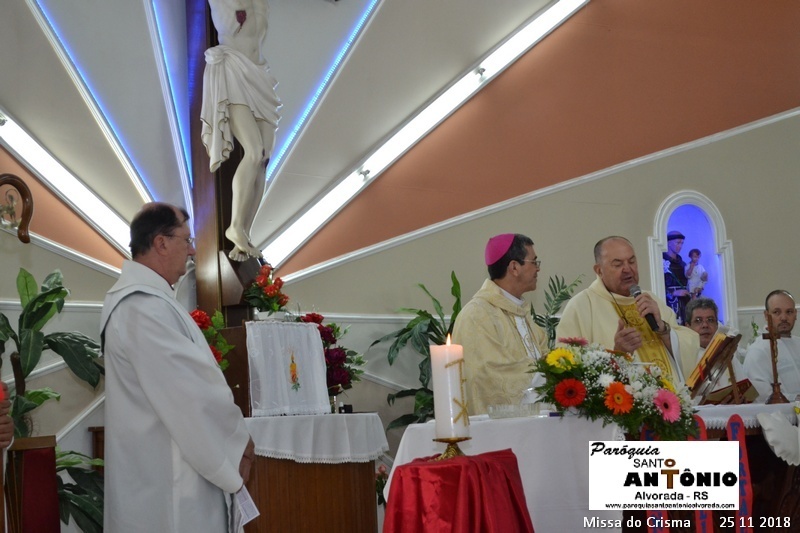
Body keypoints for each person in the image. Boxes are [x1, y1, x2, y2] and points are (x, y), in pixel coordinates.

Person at [101, 202, 254, 532]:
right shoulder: (142, 307)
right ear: (161, 243)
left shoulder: (148, 303)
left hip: (165, 475)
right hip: (169, 485)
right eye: (186, 240)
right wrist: (238, 440)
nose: (192, 250)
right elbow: (189, 396)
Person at [557, 236, 699, 384]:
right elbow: (567, 372)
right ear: (599, 270)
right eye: (618, 264)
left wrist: (663, 329)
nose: (628, 269)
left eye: (631, 262)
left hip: (670, 396)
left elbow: (690, 347)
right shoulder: (581, 306)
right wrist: (618, 354)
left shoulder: (651, 299)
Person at [202, 0, 282, 262]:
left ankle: (245, 232)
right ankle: (234, 226)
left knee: (264, 158)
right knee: (254, 151)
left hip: (259, 73)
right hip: (233, 70)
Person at [452, 233, 549, 415]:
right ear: (514, 267)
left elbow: (544, 356)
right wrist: (546, 371)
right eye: (534, 262)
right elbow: (487, 376)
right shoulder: (476, 315)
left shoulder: (520, 311)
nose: (538, 269)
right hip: (500, 426)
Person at [743, 290, 800, 402]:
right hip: (781, 412)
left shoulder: (798, 343)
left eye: (789, 312)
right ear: (766, 315)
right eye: (777, 312)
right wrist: (796, 399)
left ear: (795, 314)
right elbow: (761, 395)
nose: (784, 317)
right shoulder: (758, 351)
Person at [685, 297, 744, 389]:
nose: (705, 325)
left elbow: (744, 388)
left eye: (710, 320)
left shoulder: (726, 354)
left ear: (717, 325)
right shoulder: (684, 358)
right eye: (698, 321)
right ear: (688, 327)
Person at [663, 231, 691, 324]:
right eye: (678, 242)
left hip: (684, 303)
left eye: (682, 243)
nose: (680, 246)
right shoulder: (661, 263)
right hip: (670, 304)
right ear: (668, 242)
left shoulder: (683, 264)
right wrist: (673, 293)